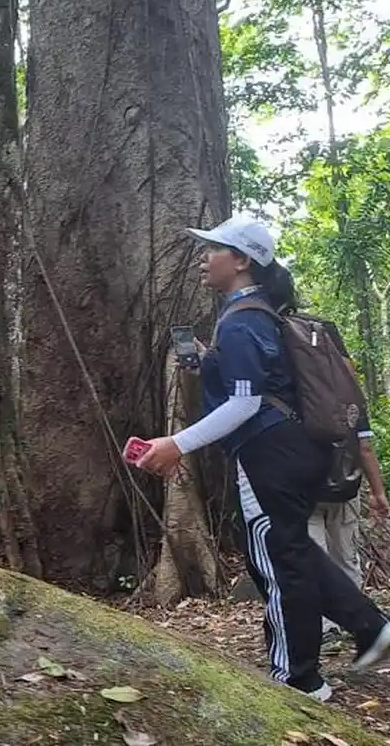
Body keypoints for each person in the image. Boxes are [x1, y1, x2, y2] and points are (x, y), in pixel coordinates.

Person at [135, 217, 390, 702]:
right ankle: (369, 629)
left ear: (243, 261)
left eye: (214, 249)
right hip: (294, 447)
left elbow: (244, 403)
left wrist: (177, 443)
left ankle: (297, 678)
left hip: (270, 451)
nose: (203, 259)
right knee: (292, 551)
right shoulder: (256, 314)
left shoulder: (243, 319)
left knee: (276, 559)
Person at [301, 321, 390, 652]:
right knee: (346, 557)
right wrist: (379, 493)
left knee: (316, 558)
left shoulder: (302, 391)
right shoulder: (352, 395)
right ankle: (357, 625)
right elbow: (365, 448)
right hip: (347, 487)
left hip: (308, 487)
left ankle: (324, 627)